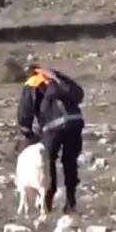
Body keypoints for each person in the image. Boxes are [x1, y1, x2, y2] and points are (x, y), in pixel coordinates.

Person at [17, 65, 85, 213]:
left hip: (53, 126)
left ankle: (47, 202)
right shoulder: (56, 79)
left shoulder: (32, 83)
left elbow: (24, 113)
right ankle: (70, 202)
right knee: (70, 162)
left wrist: (29, 134)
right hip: (75, 122)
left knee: (48, 162)